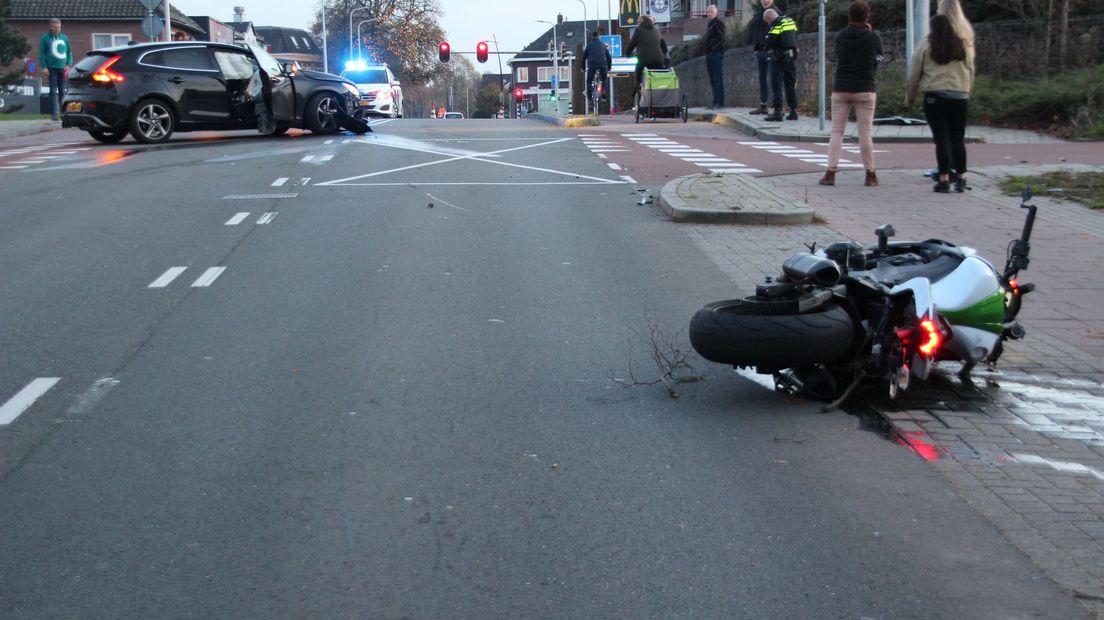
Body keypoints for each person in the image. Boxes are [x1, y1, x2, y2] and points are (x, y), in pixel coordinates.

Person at [907, 13, 975, 193]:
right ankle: (962, 178)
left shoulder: (926, 44)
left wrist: (910, 97)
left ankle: (944, 180)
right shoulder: (963, 45)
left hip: (934, 98)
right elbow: (971, 70)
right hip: (960, 96)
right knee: (958, 138)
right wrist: (967, 90)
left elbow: (914, 73)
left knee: (942, 139)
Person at [820, 0, 883, 187]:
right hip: (865, 88)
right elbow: (878, 59)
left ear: (849, 16)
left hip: (841, 88)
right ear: (867, 16)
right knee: (865, 133)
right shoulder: (874, 37)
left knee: (837, 132)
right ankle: (870, 174)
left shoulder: (840, 37)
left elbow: (836, 57)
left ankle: (830, 172)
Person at [763, 8, 798, 122]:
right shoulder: (790, 21)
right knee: (790, 85)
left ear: (769, 19)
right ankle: (793, 111)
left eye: (768, 22)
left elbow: (770, 40)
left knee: (776, 85)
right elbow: (795, 35)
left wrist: (767, 41)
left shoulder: (777, 23)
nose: (769, 24)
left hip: (780, 58)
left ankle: (778, 112)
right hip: (791, 57)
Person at [748, 0, 782, 114]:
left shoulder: (776, 12)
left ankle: (778, 108)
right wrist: (756, 48)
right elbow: (756, 32)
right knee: (762, 79)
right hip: (761, 51)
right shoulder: (759, 14)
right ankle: (763, 106)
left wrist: (774, 47)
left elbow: (779, 31)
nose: (765, 1)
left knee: (774, 80)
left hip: (771, 51)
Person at [38, 18, 72, 121]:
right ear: (51, 27)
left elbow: (69, 52)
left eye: (58, 27)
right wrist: (44, 67)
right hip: (52, 68)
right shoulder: (44, 38)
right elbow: (41, 53)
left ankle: (64, 112)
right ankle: (53, 114)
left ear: (60, 27)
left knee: (63, 90)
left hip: (63, 68)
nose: (57, 29)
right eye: (54, 27)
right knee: (52, 91)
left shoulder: (65, 38)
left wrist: (69, 64)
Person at [625, 14, 668, 90]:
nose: (637, 24)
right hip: (658, 60)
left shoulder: (638, 30)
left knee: (638, 73)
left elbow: (632, 44)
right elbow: (664, 46)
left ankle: (638, 90)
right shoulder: (656, 31)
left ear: (642, 22)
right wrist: (664, 56)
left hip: (644, 61)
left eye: (638, 22)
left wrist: (627, 54)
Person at [704, 5, 726, 109]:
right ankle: (715, 101)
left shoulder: (718, 24)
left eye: (711, 12)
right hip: (709, 54)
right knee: (712, 79)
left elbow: (722, 38)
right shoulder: (710, 24)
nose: (709, 14)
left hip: (716, 54)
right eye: (708, 12)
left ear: (716, 12)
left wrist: (713, 48)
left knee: (717, 79)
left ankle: (719, 102)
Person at [582, 31, 612, 102]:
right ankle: (603, 92)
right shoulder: (603, 45)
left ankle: (589, 99)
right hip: (602, 65)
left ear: (592, 38)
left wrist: (583, 68)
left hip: (592, 66)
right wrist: (609, 67)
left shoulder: (589, 46)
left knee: (589, 81)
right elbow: (609, 58)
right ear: (598, 37)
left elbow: (583, 58)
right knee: (604, 79)